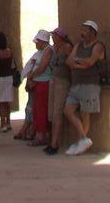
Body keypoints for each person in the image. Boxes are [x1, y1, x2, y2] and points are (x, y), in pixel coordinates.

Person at [64, 19, 105, 156]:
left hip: (90, 84)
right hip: (76, 84)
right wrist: (79, 64)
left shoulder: (98, 46)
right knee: (68, 110)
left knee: (84, 114)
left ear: (92, 33)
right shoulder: (78, 45)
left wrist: (76, 62)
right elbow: (68, 61)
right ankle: (83, 139)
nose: (82, 33)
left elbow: (90, 62)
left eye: (85, 31)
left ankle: (80, 143)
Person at [44, 26, 72, 155]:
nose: (52, 38)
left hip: (62, 82)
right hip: (53, 80)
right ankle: (52, 141)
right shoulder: (55, 48)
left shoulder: (67, 47)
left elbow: (71, 63)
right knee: (51, 112)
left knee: (57, 112)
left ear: (60, 37)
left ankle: (54, 144)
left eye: (54, 36)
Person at [28, 29, 53, 147]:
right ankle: (39, 133)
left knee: (42, 109)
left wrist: (31, 76)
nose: (36, 44)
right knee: (37, 109)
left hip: (44, 82)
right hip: (38, 82)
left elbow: (42, 66)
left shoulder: (48, 50)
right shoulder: (41, 51)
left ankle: (41, 135)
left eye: (37, 41)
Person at [0, 31, 15, 132]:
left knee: (1, 102)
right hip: (9, 77)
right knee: (7, 101)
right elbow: (13, 65)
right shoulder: (9, 51)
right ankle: (8, 122)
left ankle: (2, 124)